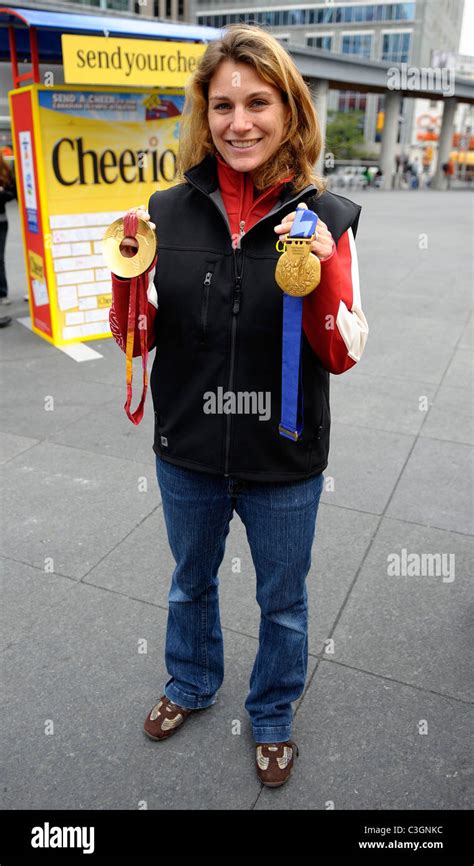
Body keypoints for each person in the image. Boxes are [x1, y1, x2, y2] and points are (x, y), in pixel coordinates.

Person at [109, 24, 368, 788]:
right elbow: (138, 337)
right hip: (188, 449)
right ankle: (190, 683)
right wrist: (126, 286)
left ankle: (275, 714)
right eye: (222, 105)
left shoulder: (331, 219)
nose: (239, 122)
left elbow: (345, 353)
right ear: (204, 113)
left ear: (289, 110)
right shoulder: (165, 210)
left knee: (282, 601)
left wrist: (323, 274)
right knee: (190, 582)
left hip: (283, 455)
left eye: (258, 102)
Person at [0, 152, 16, 309]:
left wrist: (2, 193)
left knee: (0, 258)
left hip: (1, 221)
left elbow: (13, 193)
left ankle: (2, 293)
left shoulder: (4, 170)